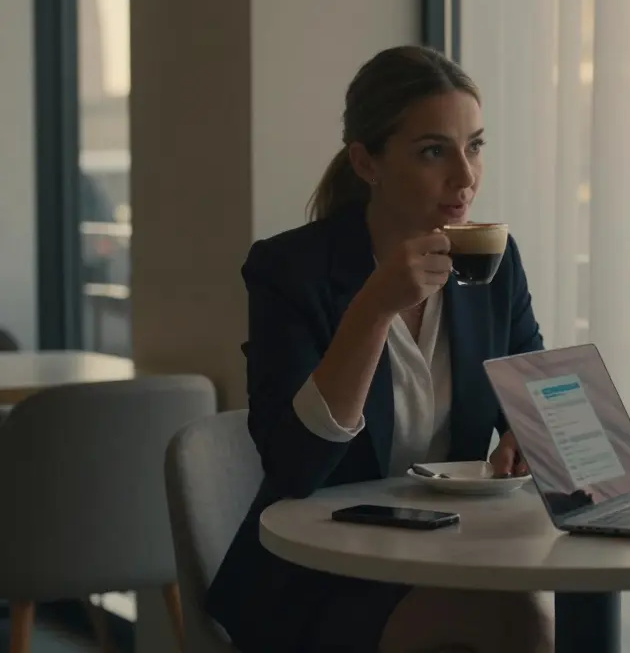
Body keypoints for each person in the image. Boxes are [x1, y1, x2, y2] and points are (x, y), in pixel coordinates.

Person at [205, 46, 552, 653]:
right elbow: (294, 465)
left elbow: (536, 398)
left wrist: (532, 431)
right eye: (432, 151)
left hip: (451, 555)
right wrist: (373, 307)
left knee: (523, 619)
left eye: (474, 145)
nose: (465, 177)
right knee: (511, 628)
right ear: (366, 163)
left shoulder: (493, 259)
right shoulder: (290, 270)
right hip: (319, 575)